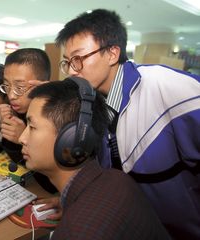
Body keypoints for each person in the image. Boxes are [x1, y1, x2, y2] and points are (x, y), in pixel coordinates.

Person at [54, 9, 200, 239]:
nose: (72, 70)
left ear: (112, 53)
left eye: (79, 59)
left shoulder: (166, 87)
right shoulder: (91, 104)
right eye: (68, 62)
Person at [19, 78, 170, 239]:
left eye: (32, 127)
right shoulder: (118, 178)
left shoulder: (75, 232)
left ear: (73, 138)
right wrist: (69, 202)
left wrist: (76, 213)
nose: (22, 138)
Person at [0, 48, 57, 193]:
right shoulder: (18, 110)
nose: (11, 95)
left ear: (42, 85)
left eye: (20, 87)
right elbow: (21, 164)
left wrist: (25, 138)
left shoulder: (57, 116)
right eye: (7, 86)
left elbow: (51, 184)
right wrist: (8, 129)